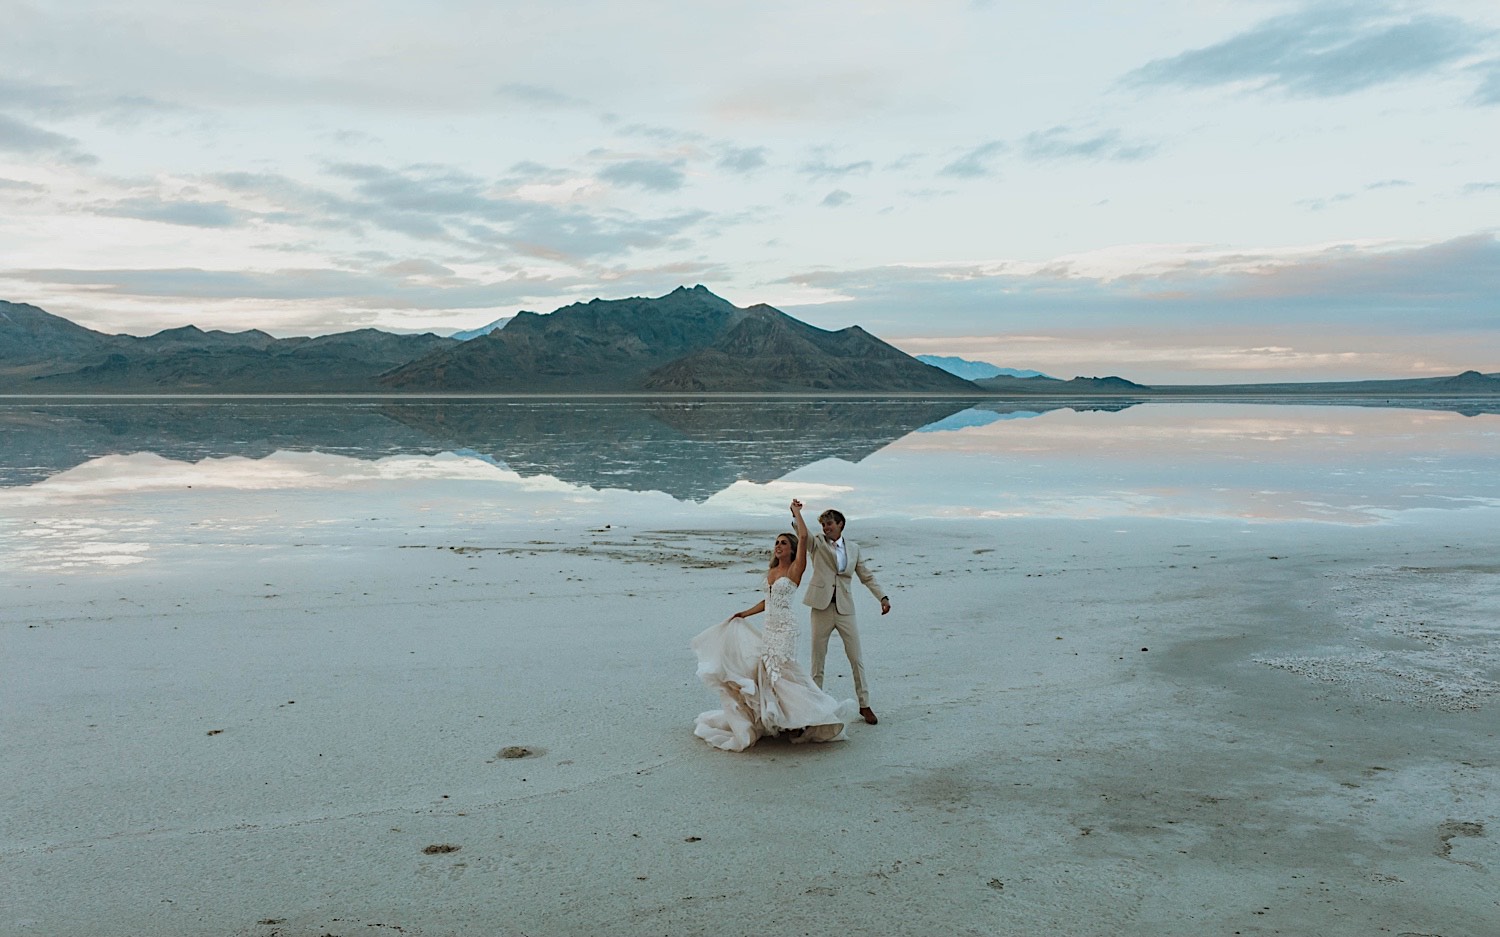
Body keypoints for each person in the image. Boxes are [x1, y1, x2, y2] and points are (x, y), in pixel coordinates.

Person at [691, 499, 856, 752]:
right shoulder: (771, 573)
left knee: (785, 674)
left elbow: (803, 536)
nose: (778, 546)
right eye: (776, 543)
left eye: (783, 543)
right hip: (769, 628)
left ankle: (810, 717)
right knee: (768, 674)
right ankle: (785, 720)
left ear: (791, 549)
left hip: (786, 629)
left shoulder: (795, 570)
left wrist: (797, 513)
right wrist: (744, 614)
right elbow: (768, 601)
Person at [803, 507, 889, 725]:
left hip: (845, 608)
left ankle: (865, 704)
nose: (825, 527)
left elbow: (866, 576)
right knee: (817, 660)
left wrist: (882, 597)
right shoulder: (817, 543)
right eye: (823, 524)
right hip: (821, 607)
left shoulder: (853, 548)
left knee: (855, 658)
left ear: (840, 524)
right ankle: (814, 706)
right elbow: (802, 535)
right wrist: (796, 513)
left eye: (829, 523)